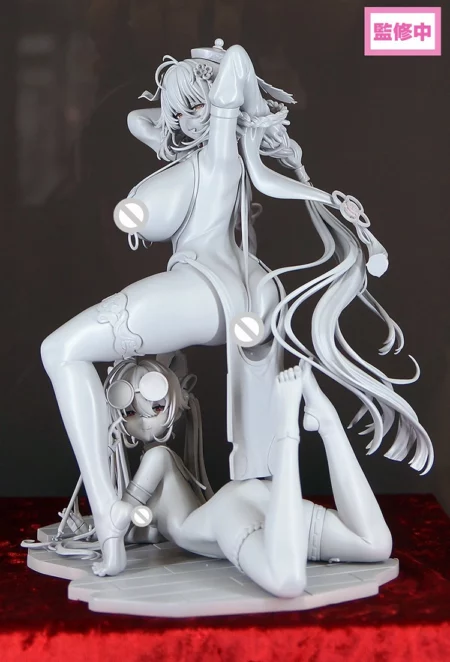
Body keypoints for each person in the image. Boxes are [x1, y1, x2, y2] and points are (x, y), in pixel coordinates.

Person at [41, 40, 432, 577]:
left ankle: (110, 512)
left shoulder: (221, 155)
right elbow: (139, 120)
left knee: (61, 349)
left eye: (198, 105)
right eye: (180, 110)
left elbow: (240, 62)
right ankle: (182, 502)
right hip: (236, 290)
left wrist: (225, 85)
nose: (187, 119)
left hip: (206, 286)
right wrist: (184, 96)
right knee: (247, 432)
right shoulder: (196, 151)